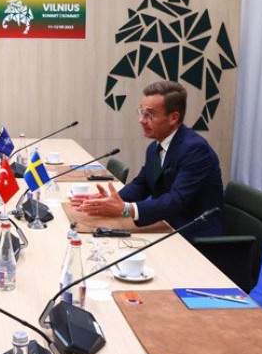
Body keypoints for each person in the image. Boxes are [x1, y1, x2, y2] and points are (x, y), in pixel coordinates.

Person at [72, 81, 223, 240]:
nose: (141, 120)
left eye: (149, 114)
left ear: (173, 118)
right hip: (165, 224)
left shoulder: (195, 149)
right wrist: (111, 200)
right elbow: (141, 184)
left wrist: (126, 209)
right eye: (141, 112)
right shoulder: (154, 147)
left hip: (193, 236)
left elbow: (176, 201)